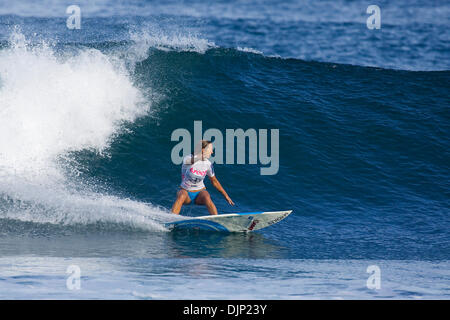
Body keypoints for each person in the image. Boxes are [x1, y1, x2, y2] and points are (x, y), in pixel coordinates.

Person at [171, 140, 234, 215]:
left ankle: (216, 220)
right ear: (203, 150)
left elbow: (214, 181)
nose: (212, 152)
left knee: (206, 196)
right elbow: (190, 161)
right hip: (186, 193)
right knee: (182, 195)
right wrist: (201, 155)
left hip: (199, 194)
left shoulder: (208, 164)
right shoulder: (188, 158)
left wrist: (226, 196)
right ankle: (172, 218)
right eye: (210, 150)